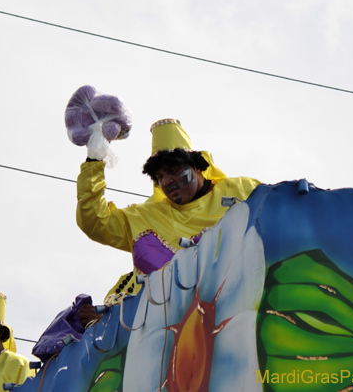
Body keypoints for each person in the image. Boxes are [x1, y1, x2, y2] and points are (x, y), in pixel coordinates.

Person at [76, 118, 261, 297]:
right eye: (160, 177)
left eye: (173, 171)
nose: (167, 181)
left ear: (196, 166)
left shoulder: (243, 190)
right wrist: (94, 160)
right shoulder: (146, 217)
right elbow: (94, 220)